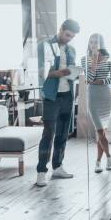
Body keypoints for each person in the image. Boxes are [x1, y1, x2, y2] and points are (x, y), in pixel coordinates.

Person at [36, 19, 80, 187]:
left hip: (67, 96)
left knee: (63, 134)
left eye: (72, 37)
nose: (69, 38)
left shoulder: (71, 49)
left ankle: (58, 166)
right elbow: (42, 73)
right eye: (67, 35)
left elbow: (71, 72)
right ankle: (41, 171)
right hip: (51, 97)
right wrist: (61, 72)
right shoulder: (44, 46)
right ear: (61, 29)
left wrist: (73, 73)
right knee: (48, 134)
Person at [81, 34, 111, 173]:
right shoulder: (84, 59)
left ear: (101, 44)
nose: (93, 45)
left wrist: (102, 81)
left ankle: (97, 162)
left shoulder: (109, 59)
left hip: (106, 97)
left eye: (96, 42)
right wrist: (95, 60)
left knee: (102, 133)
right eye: (91, 42)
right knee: (100, 131)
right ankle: (109, 157)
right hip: (93, 98)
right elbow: (89, 79)